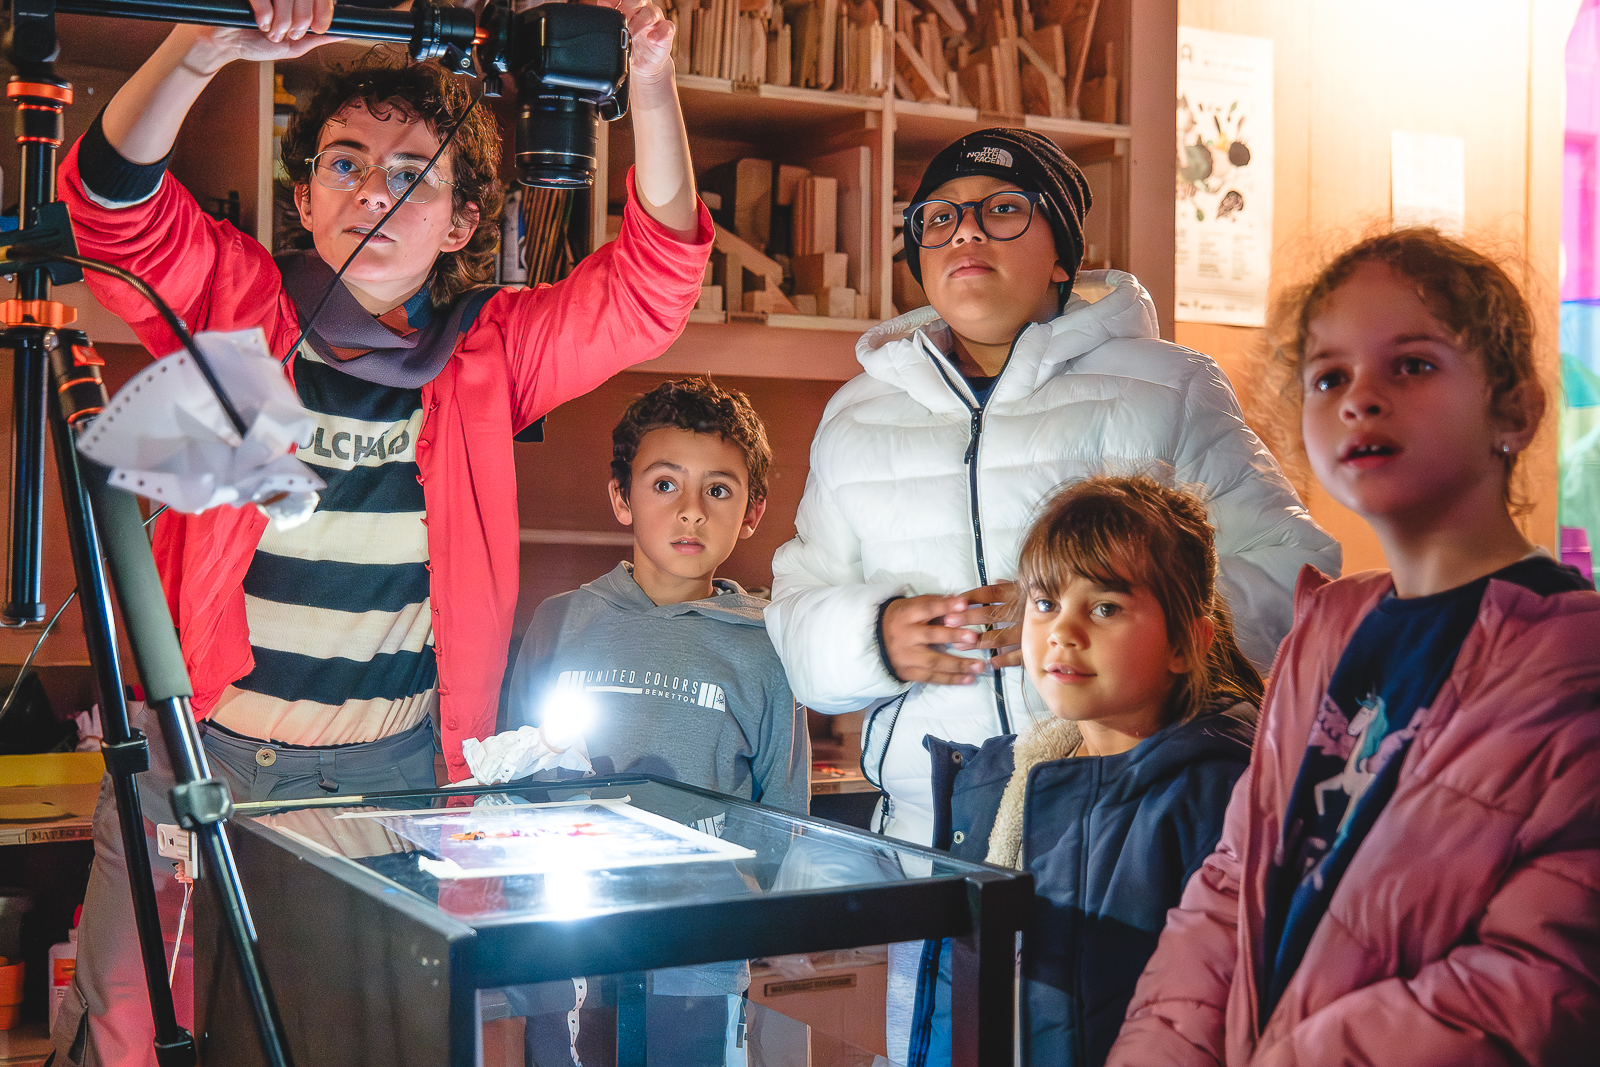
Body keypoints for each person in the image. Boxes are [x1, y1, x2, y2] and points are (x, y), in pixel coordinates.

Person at [52, 0, 711, 1063]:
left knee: (356, 1039)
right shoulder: (234, 304)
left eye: (413, 174)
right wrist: (204, 45)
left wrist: (648, 78)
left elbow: (654, 286)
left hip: (394, 779)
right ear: (304, 195)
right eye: (346, 163)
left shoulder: (490, 354)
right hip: (203, 757)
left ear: (460, 223)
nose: (373, 192)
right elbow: (109, 210)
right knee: (134, 1031)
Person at [763, 127, 1339, 1059]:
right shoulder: (857, 416)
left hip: (1129, 834)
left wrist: (1123, 611)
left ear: (1063, 253)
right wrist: (878, 635)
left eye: (1002, 210)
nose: (965, 233)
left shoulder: (1169, 388)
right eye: (939, 218)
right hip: (927, 845)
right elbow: (795, 615)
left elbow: (1295, 571)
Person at [1107, 230, 1600, 1067]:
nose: (1360, 398)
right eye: (1329, 376)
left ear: (1514, 411)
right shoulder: (1325, 631)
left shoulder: (1573, 661)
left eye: (1412, 365)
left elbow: (1537, 981)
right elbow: (1228, 891)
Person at [506, 377, 809, 1066]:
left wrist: (757, 924)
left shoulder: (770, 644)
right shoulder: (560, 621)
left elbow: (783, 816)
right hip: (566, 945)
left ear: (753, 511)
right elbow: (512, 779)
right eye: (665, 484)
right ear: (622, 498)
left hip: (698, 957)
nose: (691, 511)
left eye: (719, 490)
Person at [914, 475, 1258, 1067]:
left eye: (1104, 607)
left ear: (1186, 644)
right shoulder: (997, 778)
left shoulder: (1220, 797)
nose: (1063, 633)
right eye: (1046, 603)